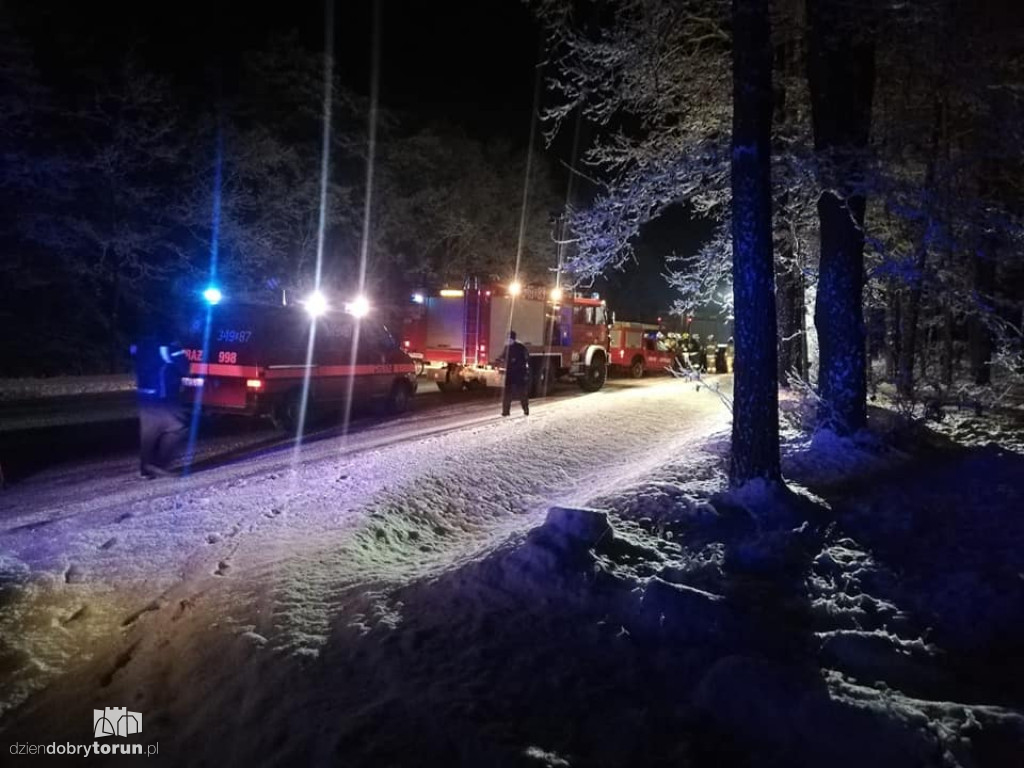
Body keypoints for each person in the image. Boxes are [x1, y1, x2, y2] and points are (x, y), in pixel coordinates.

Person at [132, 334, 189, 478]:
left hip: (144, 395)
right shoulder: (170, 346)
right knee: (178, 427)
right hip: (163, 396)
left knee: (149, 432)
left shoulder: (141, 343)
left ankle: (145, 468)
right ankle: (158, 464)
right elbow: (185, 367)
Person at [501, 330, 530, 417]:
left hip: (519, 373)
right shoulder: (507, 347)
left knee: (521, 393)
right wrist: (500, 359)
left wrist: (516, 363)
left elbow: (525, 359)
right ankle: (506, 411)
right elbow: (503, 356)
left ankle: (526, 410)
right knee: (507, 393)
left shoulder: (520, 347)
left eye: (510, 338)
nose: (508, 340)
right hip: (510, 374)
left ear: (513, 339)